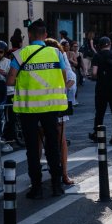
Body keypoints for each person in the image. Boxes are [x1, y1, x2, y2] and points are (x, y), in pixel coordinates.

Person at [6, 19, 69, 199]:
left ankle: (37, 186)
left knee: (33, 148)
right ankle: (56, 185)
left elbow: (10, 81)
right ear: (45, 36)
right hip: (52, 106)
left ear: (31, 36)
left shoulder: (20, 54)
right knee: (52, 145)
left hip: (28, 109)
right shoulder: (56, 53)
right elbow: (63, 78)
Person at [44, 38, 76, 186]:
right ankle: (63, 174)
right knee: (60, 138)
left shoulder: (57, 56)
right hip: (55, 103)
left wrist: (61, 89)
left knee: (52, 138)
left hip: (43, 104)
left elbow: (71, 78)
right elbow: (71, 78)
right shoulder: (59, 55)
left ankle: (62, 174)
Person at [90, 36, 112, 145]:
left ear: (99, 45)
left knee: (100, 112)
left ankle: (98, 134)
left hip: (101, 87)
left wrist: (95, 77)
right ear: (110, 44)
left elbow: (94, 72)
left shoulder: (97, 56)